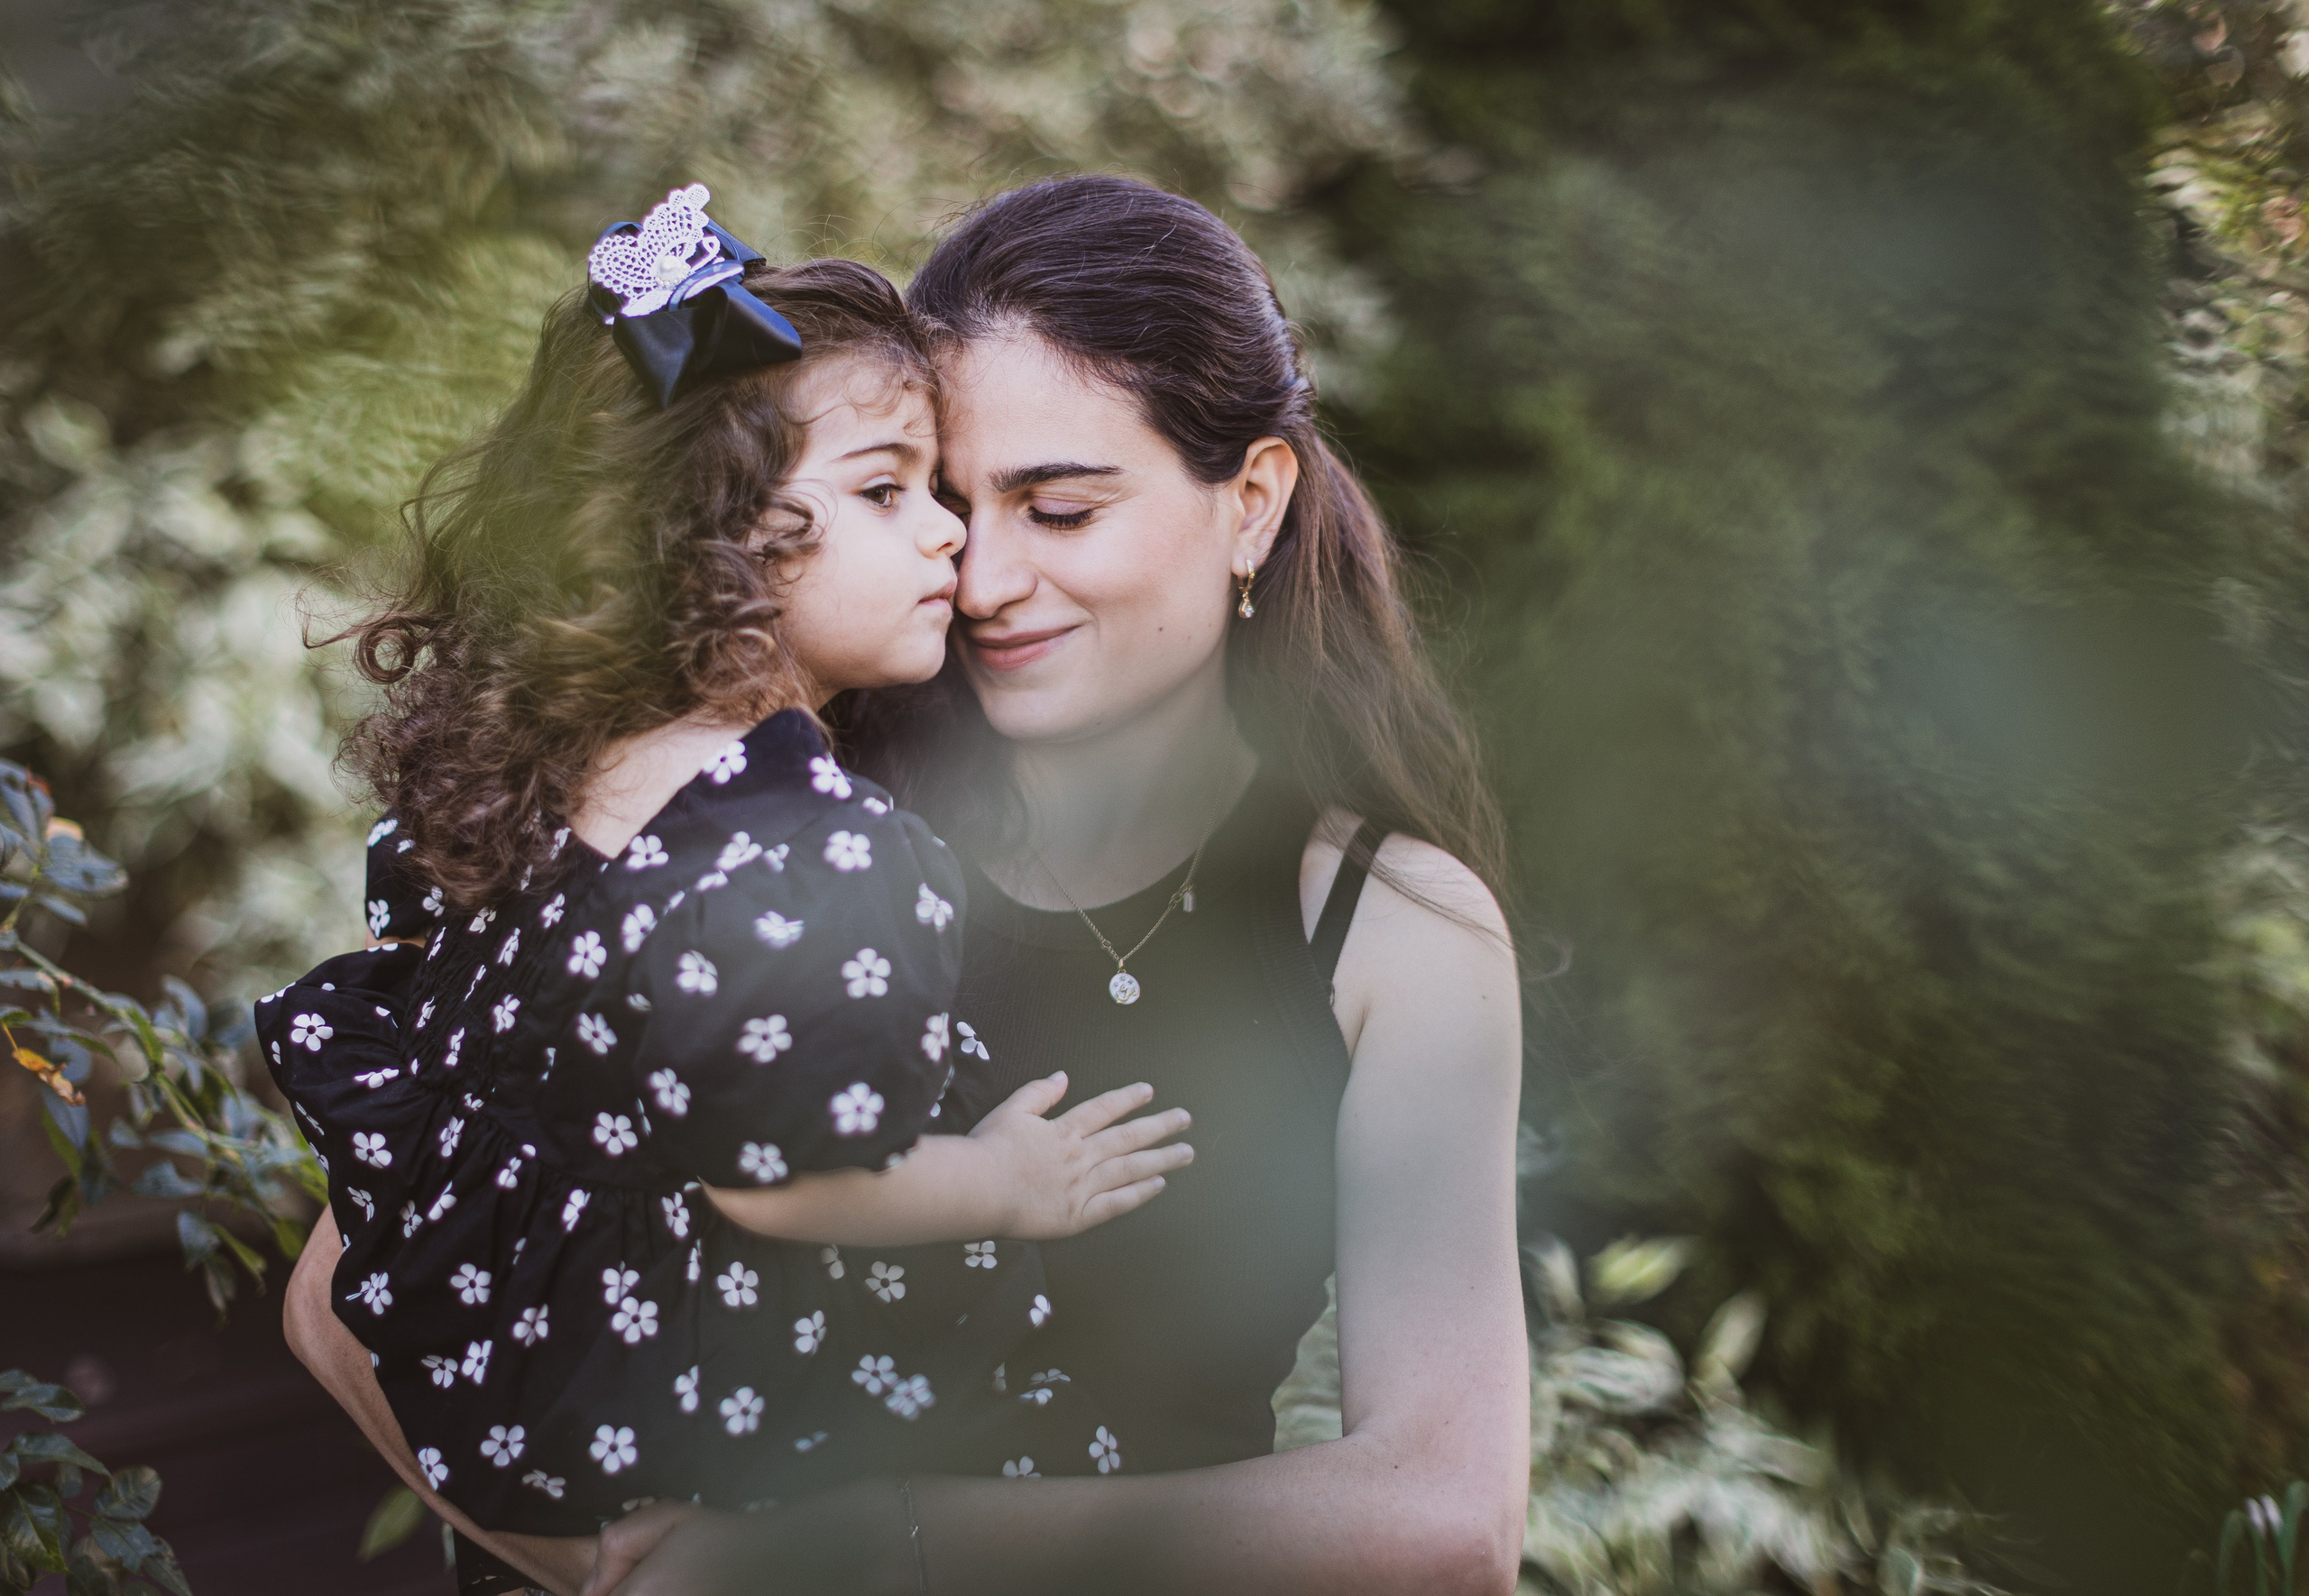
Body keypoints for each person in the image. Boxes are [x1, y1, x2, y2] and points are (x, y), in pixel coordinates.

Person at [291, 172, 1530, 1596]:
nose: (983, 572)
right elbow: (352, 1295)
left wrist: (880, 1543)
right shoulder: (769, 821)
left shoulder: (1389, 924)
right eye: (933, 498)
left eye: (1056, 509)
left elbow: (1447, 1518)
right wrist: (633, 1571)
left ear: (1250, 504)